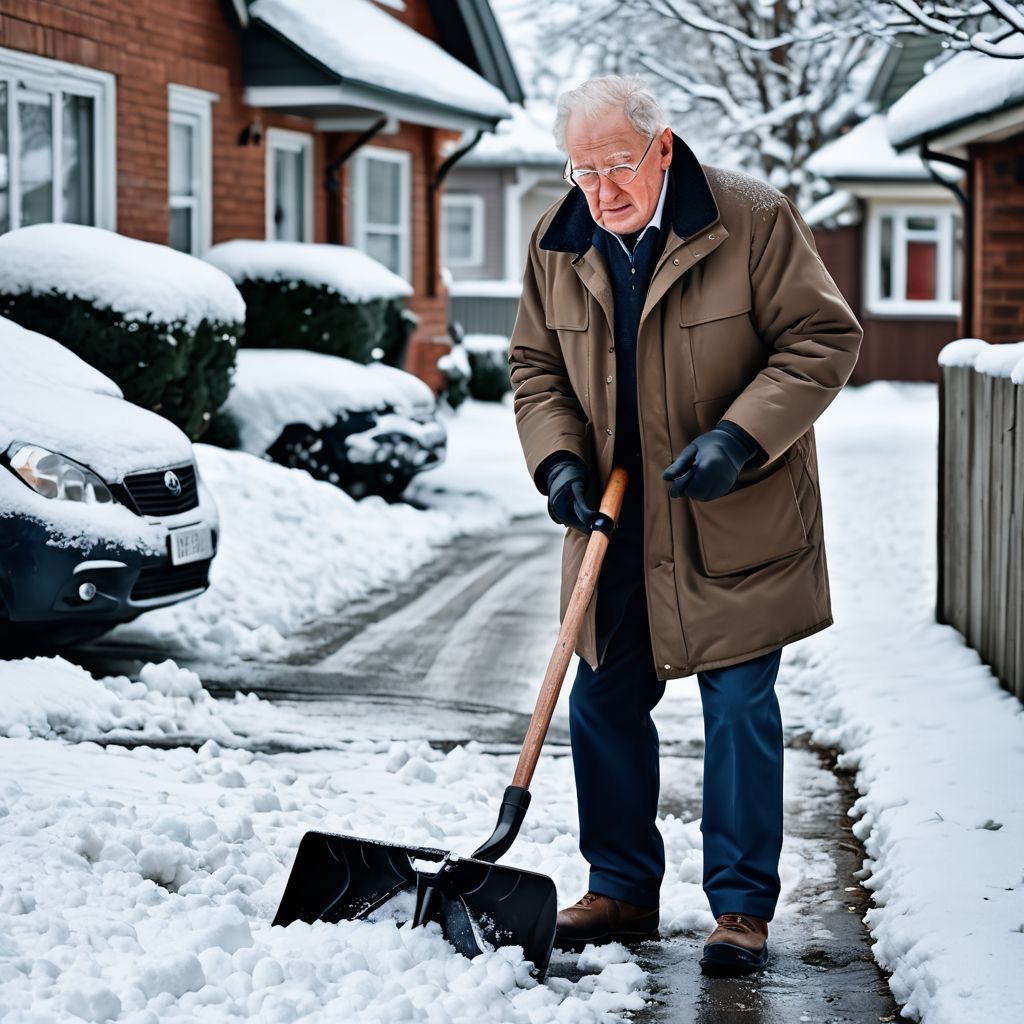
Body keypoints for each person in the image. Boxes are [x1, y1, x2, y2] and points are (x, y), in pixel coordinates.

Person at [507, 74, 862, 975]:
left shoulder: (750, 219)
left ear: (662, 148)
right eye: (582, 170)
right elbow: (535, 365)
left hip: (729, 513)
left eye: (619, 165)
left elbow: (821, 339)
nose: (601, 190)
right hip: (612, 519)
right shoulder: (561, 238)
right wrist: (558, 465)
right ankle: (620, 887)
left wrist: (740, 439)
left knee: (739, 708)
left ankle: (740, 910)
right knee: (602, 698)